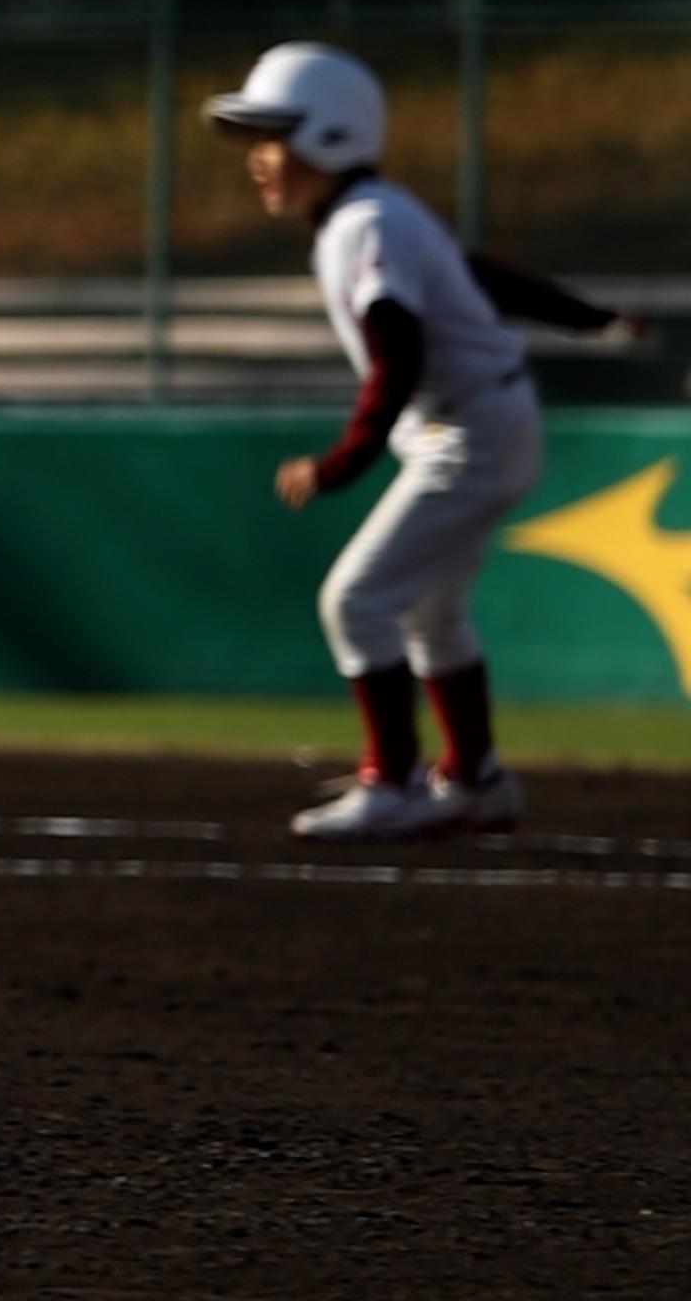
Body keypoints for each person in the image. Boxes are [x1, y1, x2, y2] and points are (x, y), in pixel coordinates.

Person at [205, 42, 642, 841]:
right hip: (487, 423)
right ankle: (476, 779)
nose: (260, 160)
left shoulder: (364, 224)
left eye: (274, 138)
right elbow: (478, 278)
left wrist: (338, 465)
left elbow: (395, 354)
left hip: (470, 432)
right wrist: (593, 318)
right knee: (430, 613)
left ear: (331, 136)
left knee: (357, 600)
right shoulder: (380, 214)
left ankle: (396, 783)